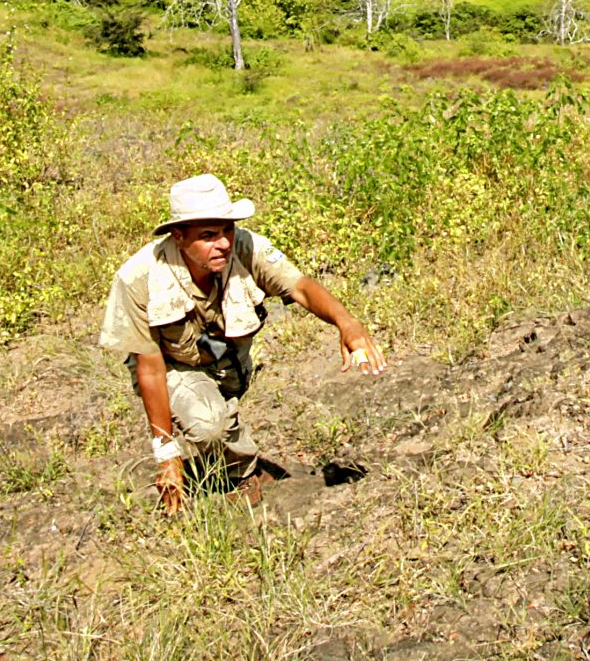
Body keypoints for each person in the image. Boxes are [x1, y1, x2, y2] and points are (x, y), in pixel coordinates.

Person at [100, 172, 386, 512]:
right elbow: (150, 369)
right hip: (174, 366)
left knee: (215, 417)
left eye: (227, 230)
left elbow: (300, 286)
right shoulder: (139, 278)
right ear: (178, 236)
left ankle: (224, 452)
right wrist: (166, 454)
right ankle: (242, 472)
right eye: (208, 235)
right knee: (208, 425)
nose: (222, 243)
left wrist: (347, 323)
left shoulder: (246, 247)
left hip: (230, 364)